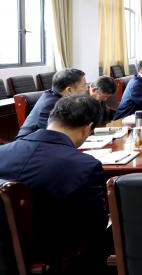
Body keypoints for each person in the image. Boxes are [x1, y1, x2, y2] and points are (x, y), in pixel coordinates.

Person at [0, 95, 110, 273]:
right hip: (54, 258)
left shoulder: (2, 152)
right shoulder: (85, 166)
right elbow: (96, 226)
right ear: (88, 128)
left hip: (5, 255)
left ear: (51, 118)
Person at [17, 68, 87, 138]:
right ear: (69, 90)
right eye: (84, 85)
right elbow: (54, 136)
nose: (86, 89)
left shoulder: (58, 96)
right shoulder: (51, 105)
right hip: (30, 142)